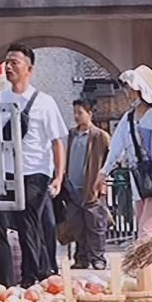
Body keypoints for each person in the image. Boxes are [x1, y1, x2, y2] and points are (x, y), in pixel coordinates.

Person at [0, 43, 67, 286]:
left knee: (27, 224)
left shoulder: (45, 102)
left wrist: (58, 177)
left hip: (34, 172)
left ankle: (31, 278)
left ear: (29, 69)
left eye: (15, 62)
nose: (9, 66)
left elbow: (57, 142)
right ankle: (4, 282)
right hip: (4, 172)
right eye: (7, 62)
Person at [104, 65, 152, 241]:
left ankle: (143, 268)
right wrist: (103, 173)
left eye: (131, 89)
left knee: (146, 234)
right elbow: (116, 147)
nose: (128, 93)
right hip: (139, 179)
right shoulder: (128, 118)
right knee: (145, 229)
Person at [62, 98, 111, 269]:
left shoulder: (100, 136)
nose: (76, 116)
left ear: (89, 113)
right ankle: (81, 257)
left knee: (95, 224)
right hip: (73, 187)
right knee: (77, 224)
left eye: (80, 112)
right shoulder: (71, 134)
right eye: (75, 112)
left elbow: (110, 160)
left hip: (92, 187)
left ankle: (98, 257)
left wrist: (102, 182)